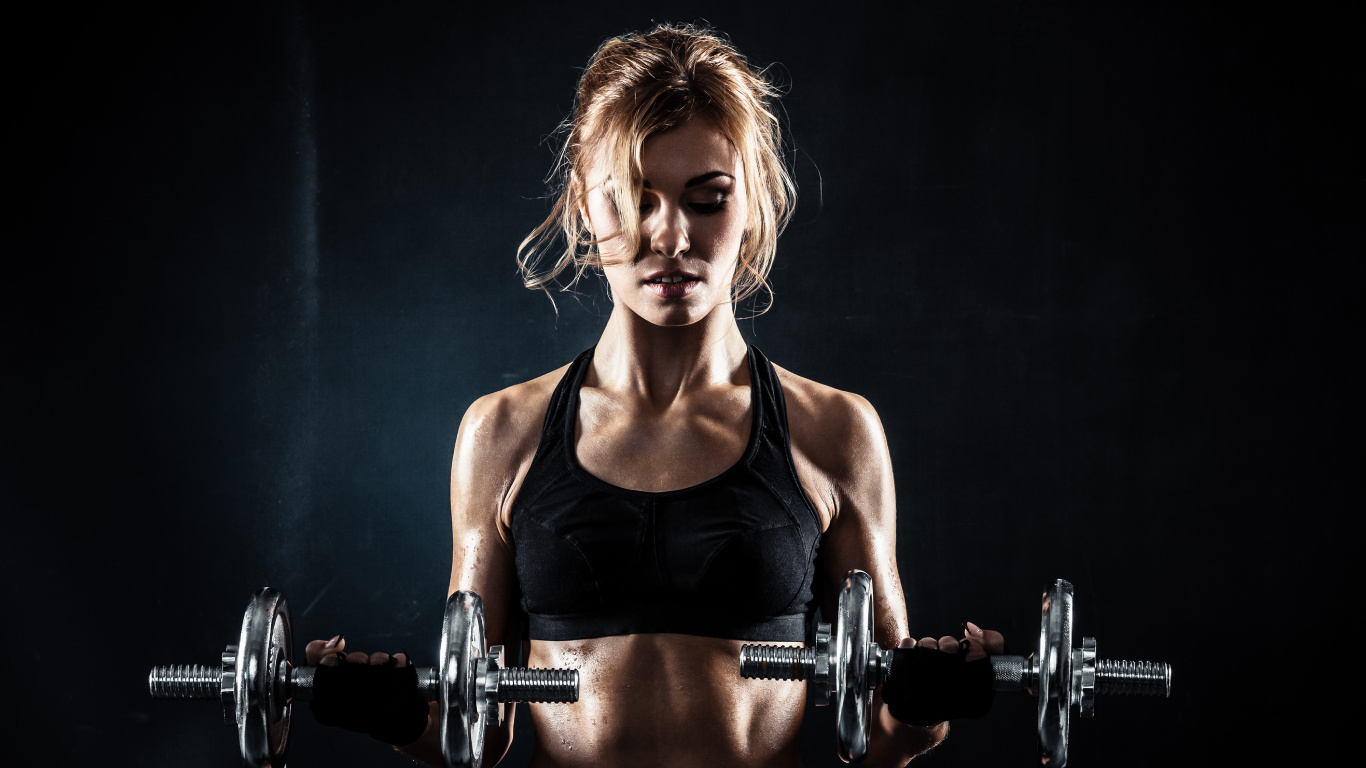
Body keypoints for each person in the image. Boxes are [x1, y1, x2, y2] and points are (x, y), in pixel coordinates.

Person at [305, 23, 1005, 767]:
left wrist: (931, 698)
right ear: (583, 202)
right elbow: (474, 731)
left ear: (755, 201)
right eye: (635, 200)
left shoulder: (834, 431)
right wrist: (391, 713)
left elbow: (886, 733)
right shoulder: (502, 432)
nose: (670, 235)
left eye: (707, 200)